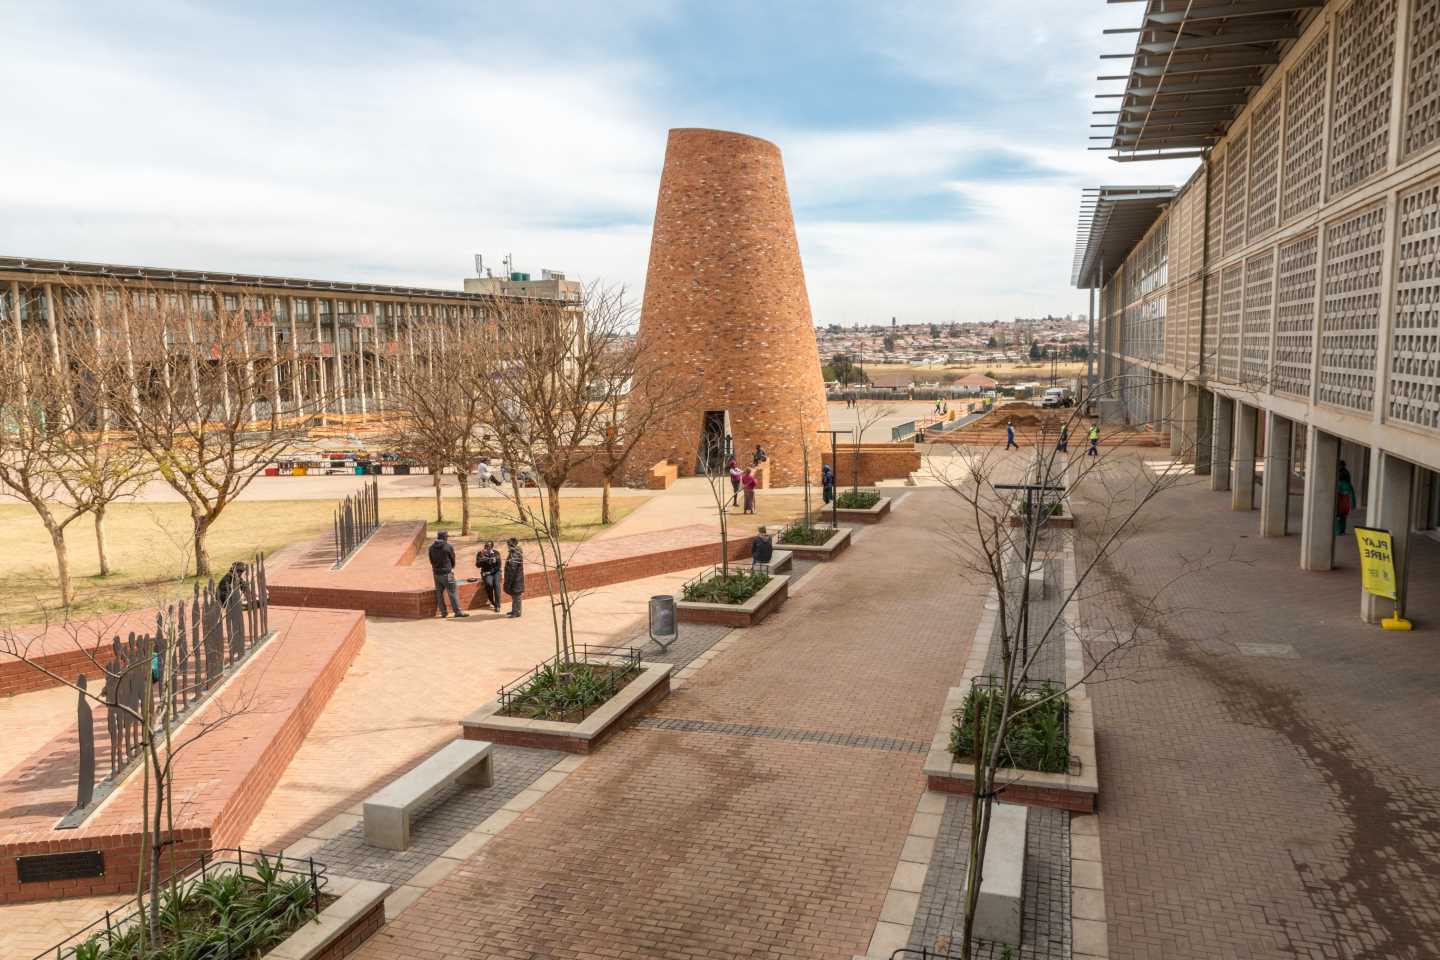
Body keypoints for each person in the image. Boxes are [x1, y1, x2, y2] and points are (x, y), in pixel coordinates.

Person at [428, 531, 468, 618]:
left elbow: (431, 561)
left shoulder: (431, 548)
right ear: (444, 537)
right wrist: (451, 568)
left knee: (439, 593)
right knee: (452, 592)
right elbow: (452, 559)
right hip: (448, 573)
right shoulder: (448, 547)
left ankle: (443, 612)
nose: (447, 538)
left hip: (436, 574)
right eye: (447, 537)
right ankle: (457, 612)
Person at [475, 540, 502, 613]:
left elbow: (498, 566)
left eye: (488, 546)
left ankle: (498, 605)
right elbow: (477, 565)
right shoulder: (480, 553)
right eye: (485, 546)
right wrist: (484, 559)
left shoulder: (496, 553)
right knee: (489, 584)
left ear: (492, 547)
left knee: (496, 585)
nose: (486, 548)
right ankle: (492, 601)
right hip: (486, 572)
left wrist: (490, 572)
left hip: (495, 572)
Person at [503, 537, 525, 618]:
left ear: (511, 545)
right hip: (515, 579)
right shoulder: (514, 552)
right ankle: (514, 610)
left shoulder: (515, 554)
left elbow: (512, 569)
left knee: (516, 596)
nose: (507, 546)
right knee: (514, 596)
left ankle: (517, 612)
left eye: (508, 544)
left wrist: (509, 581)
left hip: (515, 580)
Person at [1336, 460, 1356, 535]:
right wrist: (1353, 505)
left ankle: (1338, 531)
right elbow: (1352, 495)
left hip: (1341, 502)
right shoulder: (1348, 484)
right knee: (1343, 517)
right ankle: (1342, 531)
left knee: (1338, 517)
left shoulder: (1339, 483)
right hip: (1345, 503)